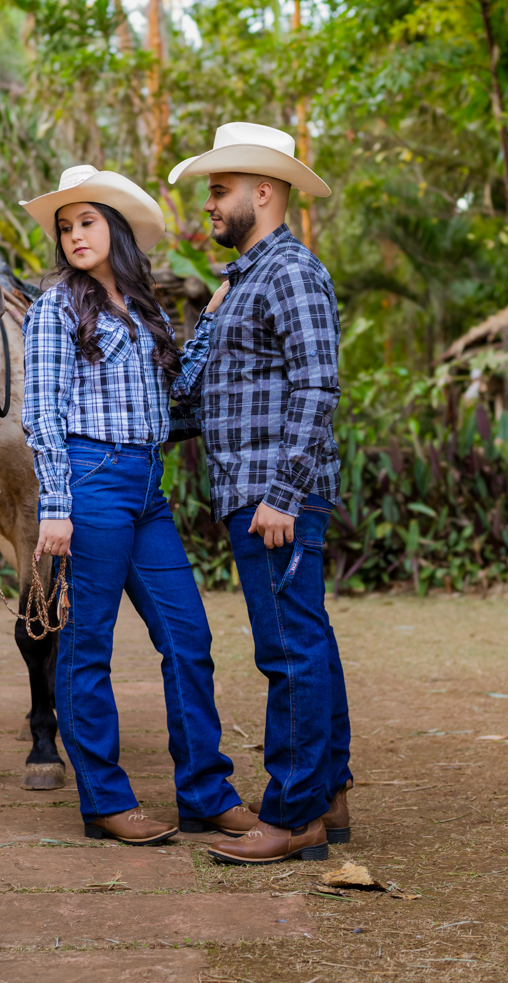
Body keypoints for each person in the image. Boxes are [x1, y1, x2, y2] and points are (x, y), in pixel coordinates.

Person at [19, 164, 256, 846]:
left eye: (87, 222)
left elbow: (176, 397)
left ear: (116, 229)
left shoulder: (143, 307)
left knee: (189, 637)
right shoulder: (54, 308)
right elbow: (42, 415)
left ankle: (206, 793)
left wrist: (207, 324)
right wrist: (56, 508)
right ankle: (104, 801)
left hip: (147, 489)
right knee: (87, 645)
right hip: (89, 485)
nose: (74, 236)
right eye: (65, 227)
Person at [168, 122, 352, 865]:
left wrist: (282, 494)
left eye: (219, 190)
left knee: (289, 652)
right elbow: (191, 395)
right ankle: (330, 793)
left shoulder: (292, 272)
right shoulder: (242, 281)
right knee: (306, 642)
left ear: (264, 193)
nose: (209, 205)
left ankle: (295, 813)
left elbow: (317, 384)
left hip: (276, 497)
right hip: (252, 491)